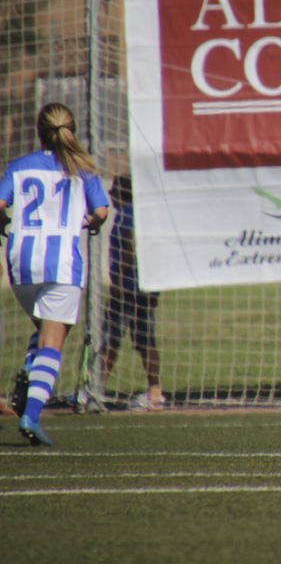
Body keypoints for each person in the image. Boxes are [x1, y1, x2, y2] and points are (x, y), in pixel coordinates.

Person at [1, 103, 109, 446]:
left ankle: (30, 372)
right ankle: (31, 415)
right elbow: (101, 211)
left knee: (44, 329)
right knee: (53, 341)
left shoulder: (18, 166)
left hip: (21, 264)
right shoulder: (83, 168)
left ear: (38, 131)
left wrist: (4, 223)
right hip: (61, 265)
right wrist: (92, 222)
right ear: (71, 130)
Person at [96, 174, 166, 411]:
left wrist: (118, 279)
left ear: (118, 195)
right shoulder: (145, 213)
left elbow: (130, 245)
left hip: (127, 288)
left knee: (110, 340)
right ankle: (155, 391)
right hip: (145, 287)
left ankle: (97, 388)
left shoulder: (126, 214)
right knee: (145, 340)